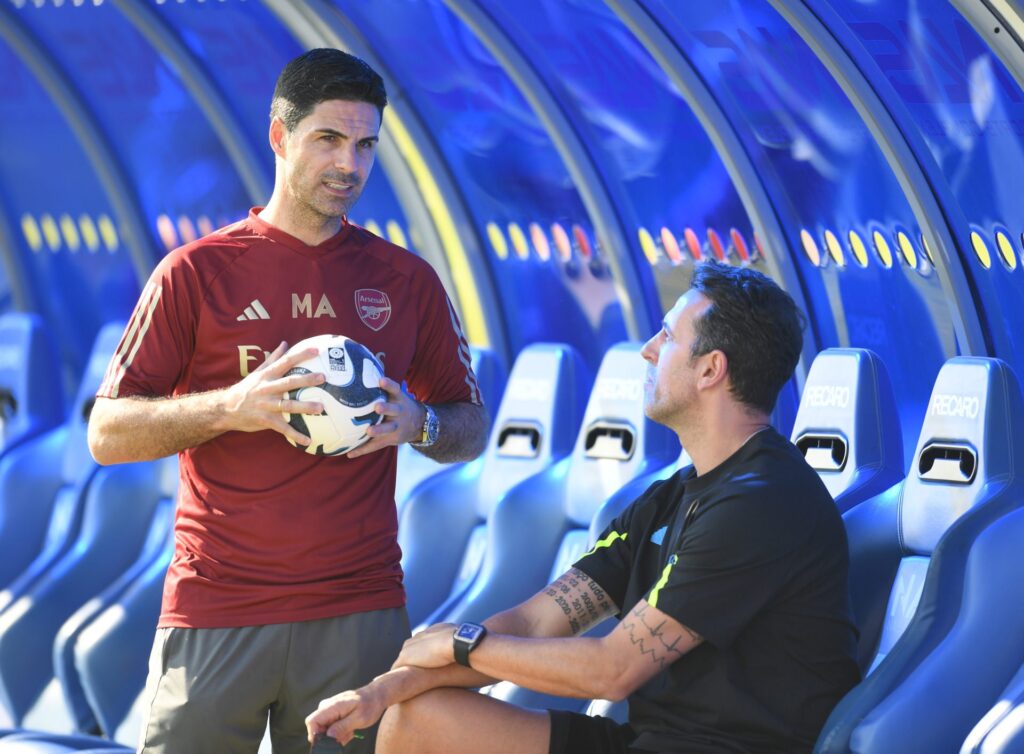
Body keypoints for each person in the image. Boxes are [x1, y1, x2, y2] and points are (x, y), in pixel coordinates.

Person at [87, 48, 487, 754]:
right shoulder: (196, 274)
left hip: (357, 612)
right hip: (217, 609)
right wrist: (230, 407)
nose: (350, 166)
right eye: (328, 139)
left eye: (366, 145)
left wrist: (417, 423)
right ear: (279, 135)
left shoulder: (405, 281)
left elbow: (470, 426)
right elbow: (107, 432)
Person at [305, 261, 861, 753]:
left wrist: (460, 642)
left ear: (710, 369)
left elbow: (614, 670)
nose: (646, 349)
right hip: (648, 741)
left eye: (666, 336)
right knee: (416, 719)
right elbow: (534, 620)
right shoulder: (672, 495)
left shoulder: (763, 503)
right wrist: (386, 689)